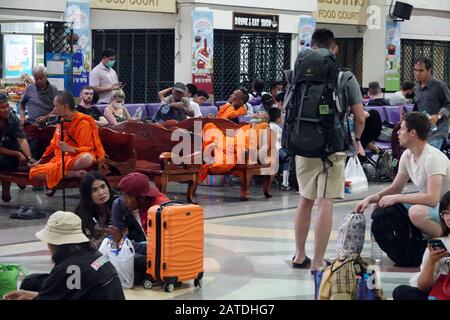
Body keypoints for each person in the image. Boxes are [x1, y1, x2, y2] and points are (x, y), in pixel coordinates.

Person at [292, 29, 366, 270]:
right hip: (332, 147)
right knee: (325, 203)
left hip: (302, 143)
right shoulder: (345, 76)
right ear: (334, 48)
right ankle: (316, 262)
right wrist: (357, 139)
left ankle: (299, 255)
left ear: (312, 46)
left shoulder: (298, 73)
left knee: (305, 201)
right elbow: (359, 116)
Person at [356, 112, 450, 238]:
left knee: (416, 213)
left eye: (402, 129)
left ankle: (444, 243)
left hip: (445, 209)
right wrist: (370, 199)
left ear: (412, 133)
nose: (398, 133)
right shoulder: (407, 155)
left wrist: (397, 198)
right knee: (380, 205)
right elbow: (395, 188)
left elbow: (432, 198)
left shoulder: (432, 158)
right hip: (435, 208)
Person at [3, 211, 125, 300]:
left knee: (31, 282)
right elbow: (71, 293)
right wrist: (29, 295)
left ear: (54, 242)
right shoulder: (94, 255)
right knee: (34, 282)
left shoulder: (70, 267)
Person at [29, 92, 105, 190]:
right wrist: (40, 161)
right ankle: (71, 174)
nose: (54, 109)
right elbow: (52, 145)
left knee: (87, 158)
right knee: (34, 172)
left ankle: (61, 171)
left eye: (56, 106)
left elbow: (88, 147)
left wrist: (70, 149)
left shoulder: (82, 123)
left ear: (65, 106)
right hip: (60, 160)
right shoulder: (61, 122)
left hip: (75, 158)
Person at [393, 191, 450, 300]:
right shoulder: (440, 243)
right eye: (445, 213)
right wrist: (431, 262)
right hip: (443, 292)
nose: (448, 217)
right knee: (401, 292)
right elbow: (424, 288)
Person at [111, 172, 169, 251]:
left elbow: (157, 249)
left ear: (141, 198)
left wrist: (121, 242)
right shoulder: (137, 200)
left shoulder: (160, 212)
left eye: (126, 197)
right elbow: (118, 203)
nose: (123, 200)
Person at [0, 93, 35, 202]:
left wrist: (29, 157)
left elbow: (22, 139)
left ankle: (21, 170)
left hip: (12, 148)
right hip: (5, 154)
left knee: (30, 158)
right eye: (2, 107)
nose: (6, 110)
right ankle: (7, 186)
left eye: (7, 106)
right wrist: (18, 155)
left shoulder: (13, 118)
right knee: (3, 161)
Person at [19, 65, 58, 161]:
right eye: (36, 78)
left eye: (41, 78)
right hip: (33, 126)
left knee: (48, 153)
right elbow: (21, 104)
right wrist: (22, 116)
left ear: (46, 77)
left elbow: (58, 108)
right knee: (33, 153)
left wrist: (45, 117)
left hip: (50, 126)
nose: (39, 81)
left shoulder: (53, 89)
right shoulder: (30, 89)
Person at [74, 171, 119, 248]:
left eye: (103, 186)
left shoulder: (119, 203)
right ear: (87, 194)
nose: (101, 193)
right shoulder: (81, 211)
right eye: (94, 190)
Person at [413, 57, 450, 150]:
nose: (417, 73)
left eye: (421, 70)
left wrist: (438, 116)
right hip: (423, 132)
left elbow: (449, 104)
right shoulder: (417, 89)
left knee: (430, 160)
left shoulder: (439, 85)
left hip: (437, 133)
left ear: (428, 71)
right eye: (415, 70)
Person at [268, 107, 290, 191]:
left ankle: (283, 181)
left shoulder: (271, 126)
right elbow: (276, 144)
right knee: (288, 158)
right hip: (275, 151)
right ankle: (285, 183)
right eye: (281, 116)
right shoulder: (275, 128)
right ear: (278, 118)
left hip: (271, 151)